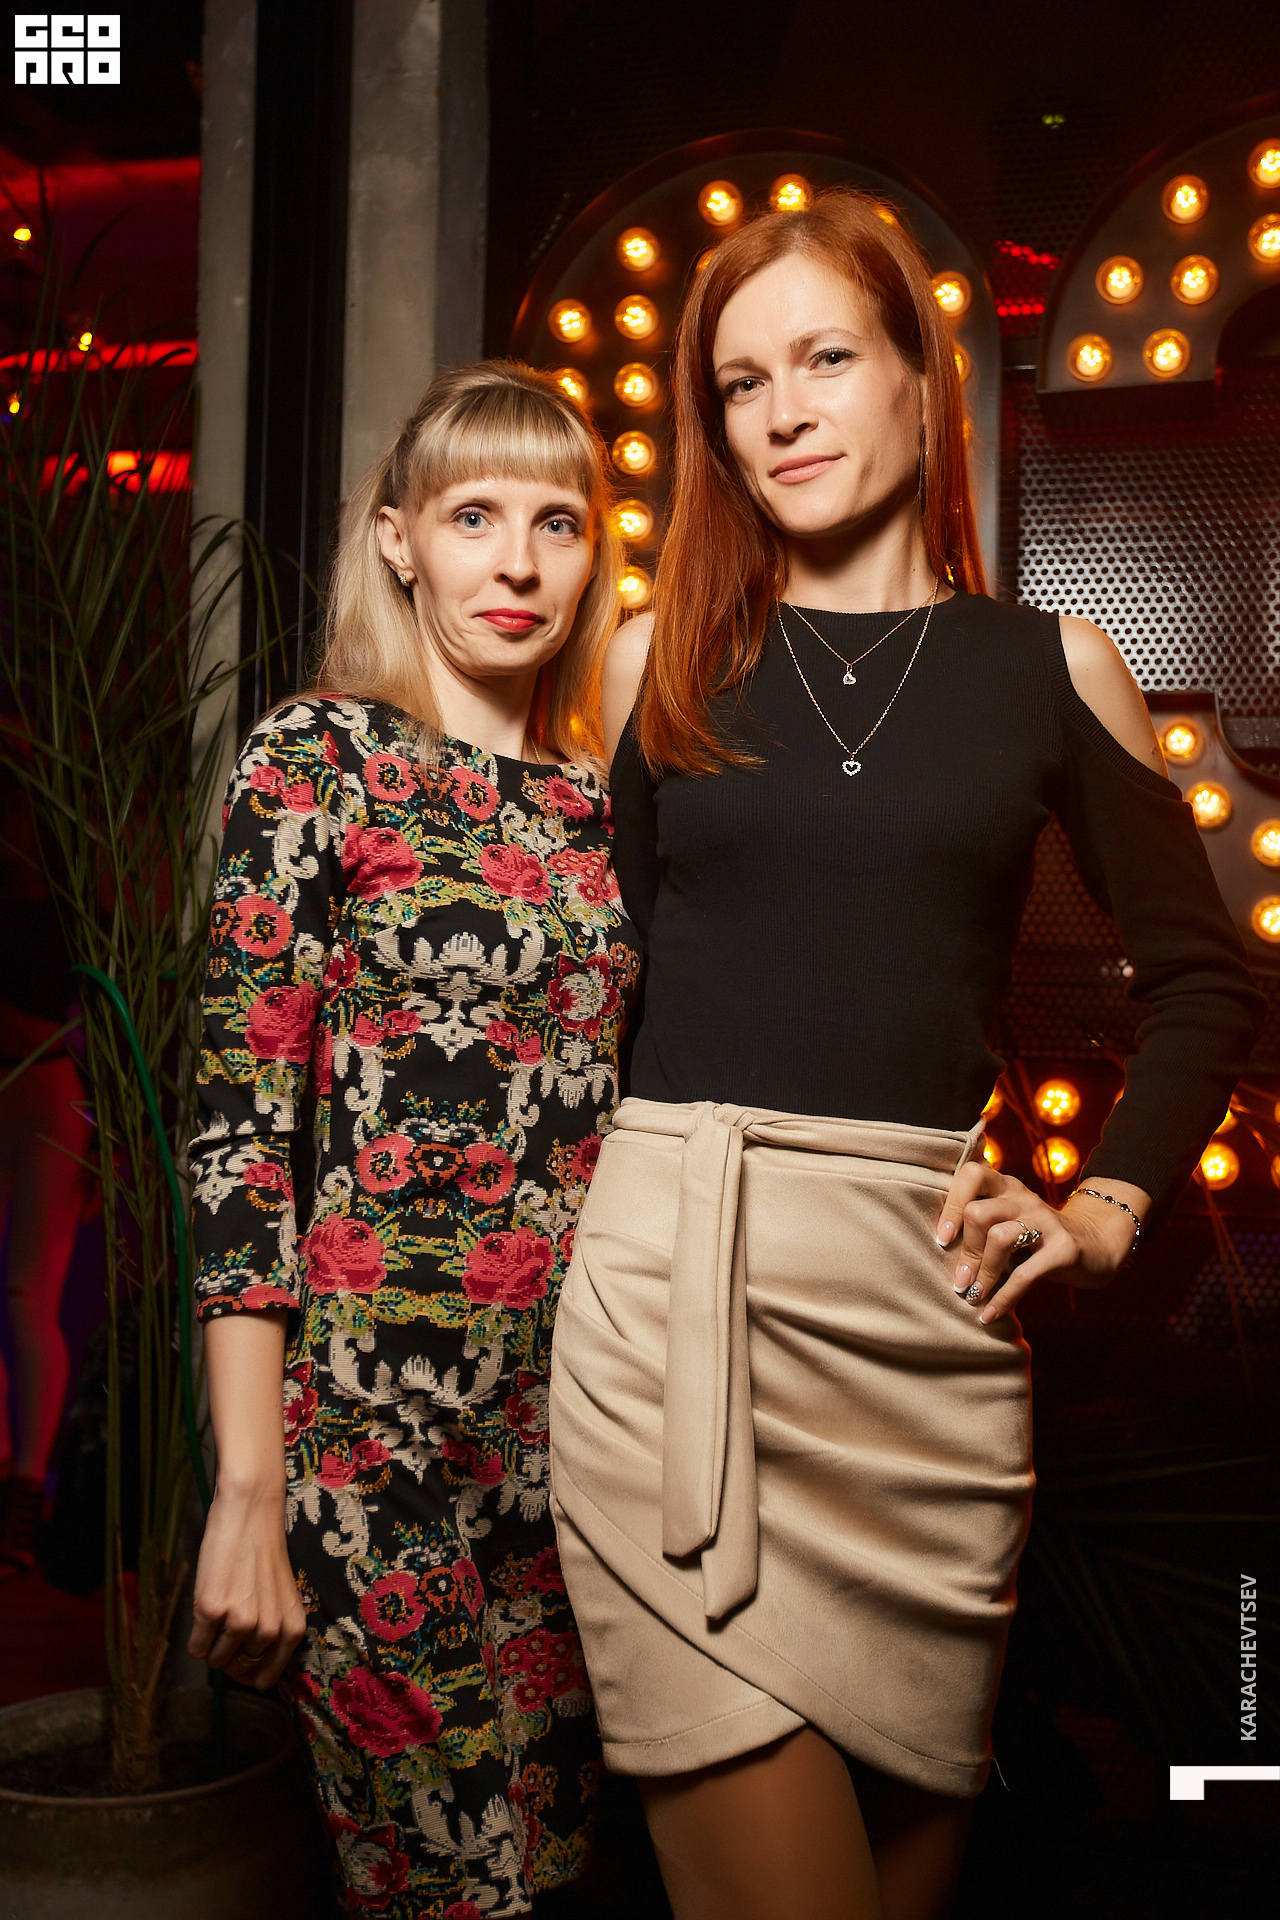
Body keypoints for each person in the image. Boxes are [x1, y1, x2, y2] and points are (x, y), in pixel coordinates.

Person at [547, 188, 1263, 1920]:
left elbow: (1206, 982)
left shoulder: (1051, 668)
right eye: (740, 384)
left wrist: (1101, 1213)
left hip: (924, 1340)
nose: (781, 413)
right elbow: (593, 996)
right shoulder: (656, 664)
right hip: (676, 1312)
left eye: (822, 360)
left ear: (915, 383)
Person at [187, 362, 641, 1918]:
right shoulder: (316, 760)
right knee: (449, 1889)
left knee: (560, 1871)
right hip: (373, 1449)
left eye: (557, 523)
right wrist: (250, 1491)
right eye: (473, 517)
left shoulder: (601, 802)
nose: (517, 563)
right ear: (399, 540)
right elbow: (241, 1131)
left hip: (582, 1443)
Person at [0, 759, 92, 1574]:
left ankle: (26, 1492)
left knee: (30, 1292)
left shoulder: (71, 913)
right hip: (29, 1090)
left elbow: (78, 1035)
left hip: (45, 1096)